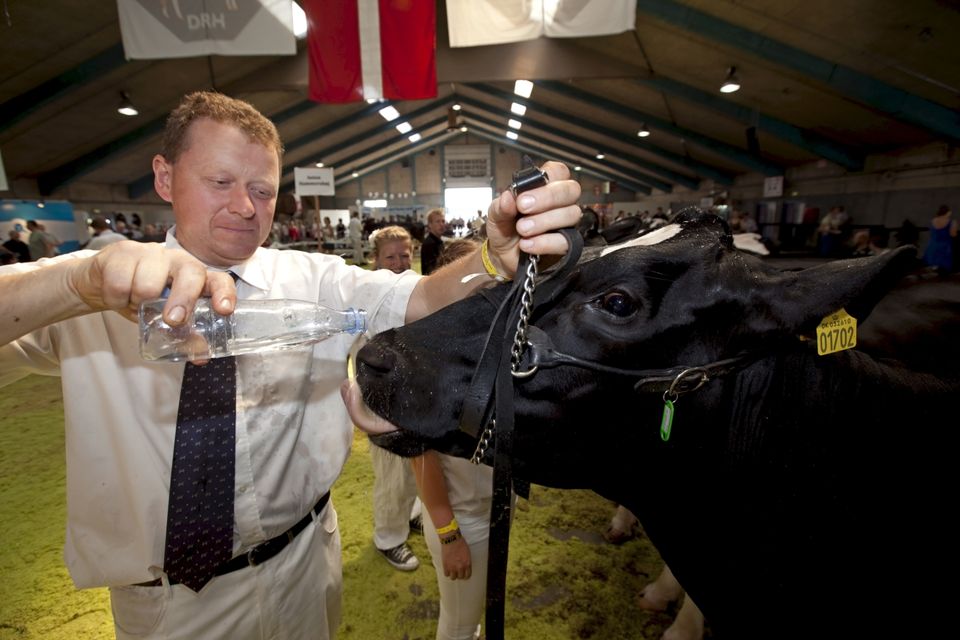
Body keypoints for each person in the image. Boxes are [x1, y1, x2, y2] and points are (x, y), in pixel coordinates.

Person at [0, 91, 581, 640]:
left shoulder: (311, 280)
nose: (244, 206)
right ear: (164, 177)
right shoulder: (94, 283)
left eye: (262, 189)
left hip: (304, 561)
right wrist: (76, 283)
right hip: (171, 602)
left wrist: (491, 256)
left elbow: (419, 299)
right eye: (220, 181)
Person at [366, 225, 423, 571]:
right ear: (375, 260)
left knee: (418, 468)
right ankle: (389, 537)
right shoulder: (366, 296)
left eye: (405, 254)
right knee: (392, 476)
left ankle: (412, 512)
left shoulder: (419, 288)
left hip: (417, 399)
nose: (401, 262)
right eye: (391, 256)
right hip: (384, 403)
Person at [922, 204, 957, 274]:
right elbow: (953, 235)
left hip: (932, 245)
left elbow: (932, 232)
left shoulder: (933, 220)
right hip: (945, 246)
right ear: (948, 212)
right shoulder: (951, 222)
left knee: (934, 266)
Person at [420, 208, 446, 275]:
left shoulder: (439, 242)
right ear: (430, 225)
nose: (441, 224)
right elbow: (431, 270)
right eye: (437, 221)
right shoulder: (429, 244)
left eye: (443, 221)